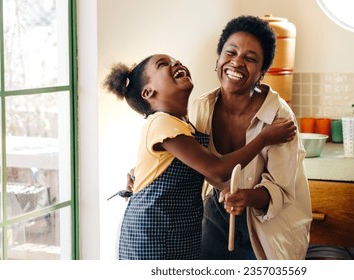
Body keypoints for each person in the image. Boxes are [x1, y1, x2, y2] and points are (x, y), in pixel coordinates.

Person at [103, 53, 297, 260]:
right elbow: (217, 169)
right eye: (163, 64)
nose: (176, 63)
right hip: (152, 236)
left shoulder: (182, 125)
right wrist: (264, 138)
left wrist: (137, 172)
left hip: (176, 234)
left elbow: (164, 166)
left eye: (174, 60)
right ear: (148, 92)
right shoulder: (162, 122)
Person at [189, 15, 312, 260]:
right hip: (216, 214)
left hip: (268, 224)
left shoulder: (278, 115)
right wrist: (142, 172)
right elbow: (185, 156)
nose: (236, 63)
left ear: (263, 72)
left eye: (250, 58)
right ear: (218, 60)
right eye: (231, 53)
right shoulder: (201, 107)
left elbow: (282, 190)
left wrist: (248, 197)